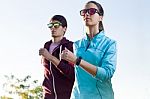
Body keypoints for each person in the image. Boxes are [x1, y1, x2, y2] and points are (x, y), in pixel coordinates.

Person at [61, 1, 117, 99]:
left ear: (101, 17)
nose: (86, 14)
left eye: (91, 11)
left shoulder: (110, 44)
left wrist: (77, 61)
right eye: (84, 12)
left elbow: (106, 74)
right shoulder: (76, 45)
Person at [39, 15, 75, 99]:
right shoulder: (46, 46)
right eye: (50, 25)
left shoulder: (70, 46)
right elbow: (47, 73)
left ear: (64, 28)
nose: (53, 28)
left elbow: (72, 73)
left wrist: (50, 57)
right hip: (47, 96)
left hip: (66, 96)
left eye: (56, 25)